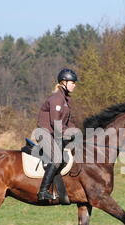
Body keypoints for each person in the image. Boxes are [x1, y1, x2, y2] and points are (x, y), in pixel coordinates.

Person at [36, 68, 79, 201]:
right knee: (57, 158)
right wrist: (69, 133)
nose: (74, 85)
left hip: (55, 134)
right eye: (72, 82)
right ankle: (43, 192)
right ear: (63, 82)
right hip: (45, 133)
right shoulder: (56, 99)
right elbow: (56, 123)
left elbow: (68, 122)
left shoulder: (66, 100)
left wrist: (77, 132)